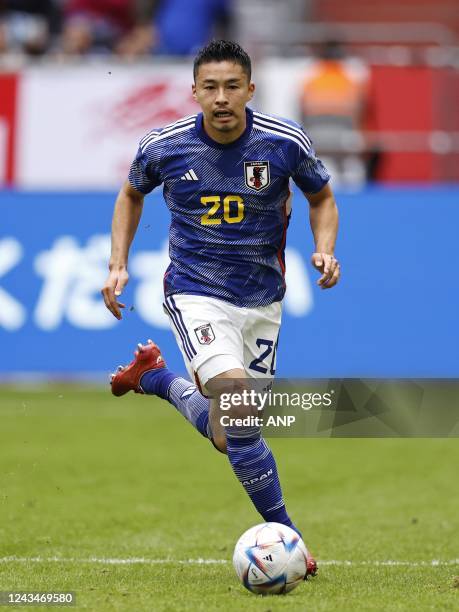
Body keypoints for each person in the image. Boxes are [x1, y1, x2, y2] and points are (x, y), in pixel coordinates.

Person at [102, 40, 339, 578]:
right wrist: (117, 263)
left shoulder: (283, 143)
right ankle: (292, 542)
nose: (221, 97)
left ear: (250, 90)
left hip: (262, 302)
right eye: (210, 87)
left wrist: (324, 248)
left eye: (232, 86)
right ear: (194, 91)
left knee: (227, 435)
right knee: (238, 402)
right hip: (194, 290)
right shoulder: (166, 147)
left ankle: (155, 379)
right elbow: (131, 193)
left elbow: (321, 197)